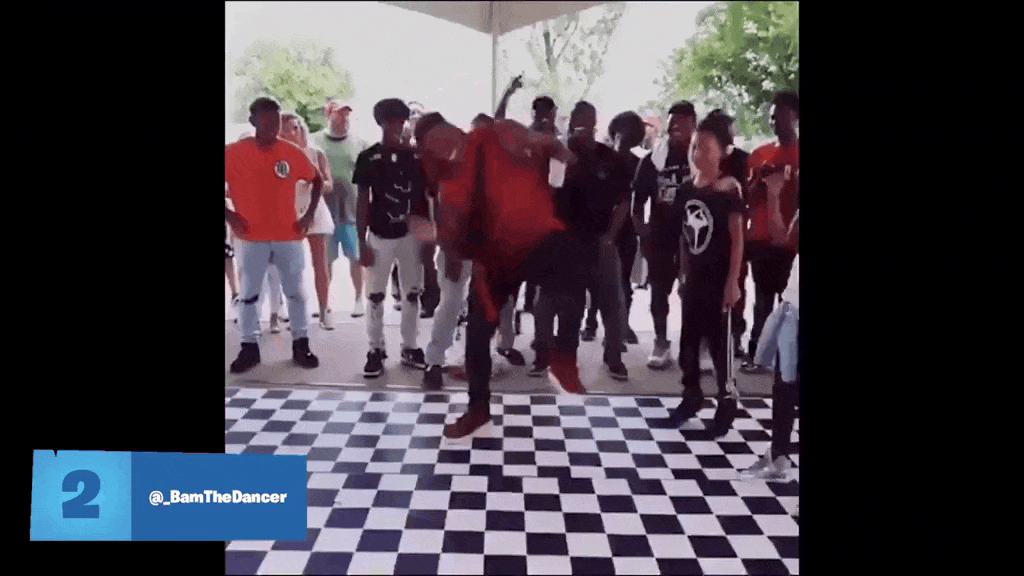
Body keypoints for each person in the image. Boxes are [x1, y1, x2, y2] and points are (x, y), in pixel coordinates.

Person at [412, 110, 589, 439]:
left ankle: (564, 356)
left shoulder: (497, 133)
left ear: (447, 131)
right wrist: (442, 242)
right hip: (495, 258)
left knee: (572, 273)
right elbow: (453, 235)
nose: (436, 151)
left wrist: (560, 159)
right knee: (477, 333)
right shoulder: (450, 181)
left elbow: (549, 144)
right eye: (429, 149)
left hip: (537, 237)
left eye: (434, 142)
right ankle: (478, 409)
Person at [421, 113, 526, 391]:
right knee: (451, 302)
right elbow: (442, 213)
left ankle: (495, 350)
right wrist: (450, 252)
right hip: (457, 248)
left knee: (497, 302)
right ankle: (434, 361)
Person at [534, 101, 631, 381]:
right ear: (571, 123)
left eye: (590, 122)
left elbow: (624, 201)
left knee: (611, 303)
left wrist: (611, 237)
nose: (585, 128)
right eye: (580, 122)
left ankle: (614, 357)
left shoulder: (609, 157)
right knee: (551, 302)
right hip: (563, 241)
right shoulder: (558, 155)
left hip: (600, 240)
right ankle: (545, 356)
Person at [225, 97, 321, 373]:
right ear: (253, 121)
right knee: (249, 295)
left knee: (296, 293)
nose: (272, 128)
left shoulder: (290, 151)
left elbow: (315, 179)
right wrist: (229, 214)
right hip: (250, 237)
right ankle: (249, 346)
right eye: (266, 122)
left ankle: (301, 343)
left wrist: (308, 215)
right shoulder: (233, 153)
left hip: (288, 236)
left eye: (276, 122)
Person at [668, 114, 746, 436]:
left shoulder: (729, 189)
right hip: (695, 281)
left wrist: (733, 282)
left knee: (719, 347)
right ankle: (691, 396)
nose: (697, 153)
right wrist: (683, 274)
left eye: (705, 148)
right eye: (695, 146)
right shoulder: (687, 189)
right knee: (688, 345)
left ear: (723, 152)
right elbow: (685, 237)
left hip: (720, 281)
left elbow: (737, 239)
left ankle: (726, 402)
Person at [355, 98, 430, 377]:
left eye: (402, 121)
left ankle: (410, 346)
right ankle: (375, 348)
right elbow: (362, 201)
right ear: (381, 123)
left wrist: (427, 240)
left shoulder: (416, 158)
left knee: (412, 293)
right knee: (375, 295)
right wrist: (361, 242)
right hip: (379, 235)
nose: (399, 126)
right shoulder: (368, 157)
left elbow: (425, 200)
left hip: (410, 236)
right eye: (393, 121)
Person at [741, 164, 799, 479]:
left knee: (787, 387)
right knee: (783, 386)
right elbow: (782, 239)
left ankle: (779, 456)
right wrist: (775, 194)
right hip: (793, 307)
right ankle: (778, 456)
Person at [632, 101, 698, 369]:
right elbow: (637, 203)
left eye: (682, 123)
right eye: (672, 123)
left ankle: (696, 344)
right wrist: (643, 234)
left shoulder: (702, 158)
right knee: (659, 292)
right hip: (660, 237)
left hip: (695, 237)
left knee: (694, 292)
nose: (675, 128)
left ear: (693, 125)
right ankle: (661, 342)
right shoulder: (652, 161)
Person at [741, 92, 799, 372]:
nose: (776, 122)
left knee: (790, 302)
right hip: (762, 238)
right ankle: (757, 353)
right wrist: (760, 181)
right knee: (763, 299)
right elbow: (745, 198)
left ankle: (787, 357)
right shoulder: (759, 155)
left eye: (782, 116)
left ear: (796, 117)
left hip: (793, 240)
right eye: (773, 117)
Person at [581, 110, 646, 347]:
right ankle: (591, 323)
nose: (623, 141)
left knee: (624, 283)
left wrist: (641, 228)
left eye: (629, 137)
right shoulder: (601, 158)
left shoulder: (639, 164)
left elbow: (639, 199)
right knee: (595, 280)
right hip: (600, 226)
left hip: (626, 230)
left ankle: (622, 325)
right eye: (620, 135)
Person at [309, 100, 368, 318]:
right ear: (327, 114)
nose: (344, 119)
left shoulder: (360, 143)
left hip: (352, 211)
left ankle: (359, 299)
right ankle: (325, 303)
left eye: (346, 115)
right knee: (325, 261)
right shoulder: (314, 142)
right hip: (324, 212)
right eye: (339, 114)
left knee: (356, 258)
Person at [279, 112, 337, 329]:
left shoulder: (316, 152)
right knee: (291, 267)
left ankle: (324, 310)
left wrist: (315, 179)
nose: (292, 133)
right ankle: (296, 313)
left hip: (315, 210)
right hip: (288, 213)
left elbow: (328, 185)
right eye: (286, 129)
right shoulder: (276, 155)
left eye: (295, 127)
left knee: (320, 264)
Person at [708, 108, 752, 358]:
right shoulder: (703, 156)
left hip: (735, 230)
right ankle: (709, 337)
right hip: (708, 232)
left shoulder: (743, 159)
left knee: (736, 285)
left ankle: (735, 335)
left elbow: (749, 196)